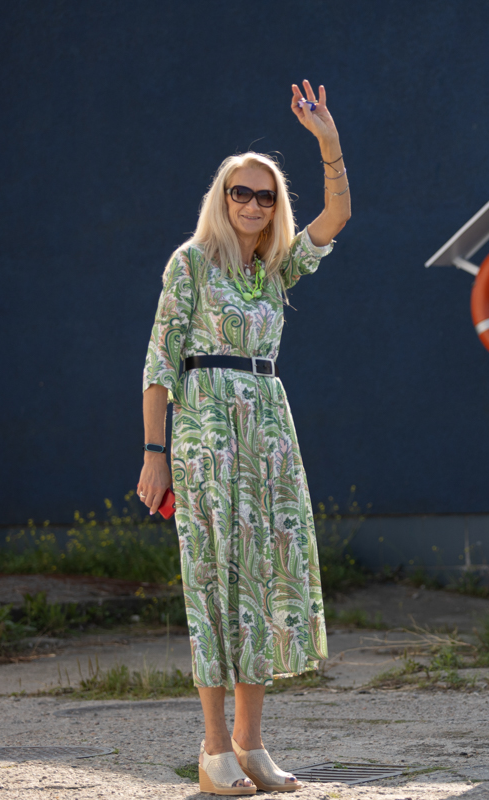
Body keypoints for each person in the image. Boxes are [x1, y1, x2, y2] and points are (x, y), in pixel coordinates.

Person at [136, 81, 350, 795]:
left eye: (264, 195)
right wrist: (155, 454)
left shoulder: (275, 266)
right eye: (241, 193)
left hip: (267, 429)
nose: (253, 204)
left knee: (264, 578)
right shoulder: (191, 262)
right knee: (213, 580)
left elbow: (338, 216)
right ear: (221, 199)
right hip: (203, 430)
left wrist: (328, 144)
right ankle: (211, 749)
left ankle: (251, 744)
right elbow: (159, 364)